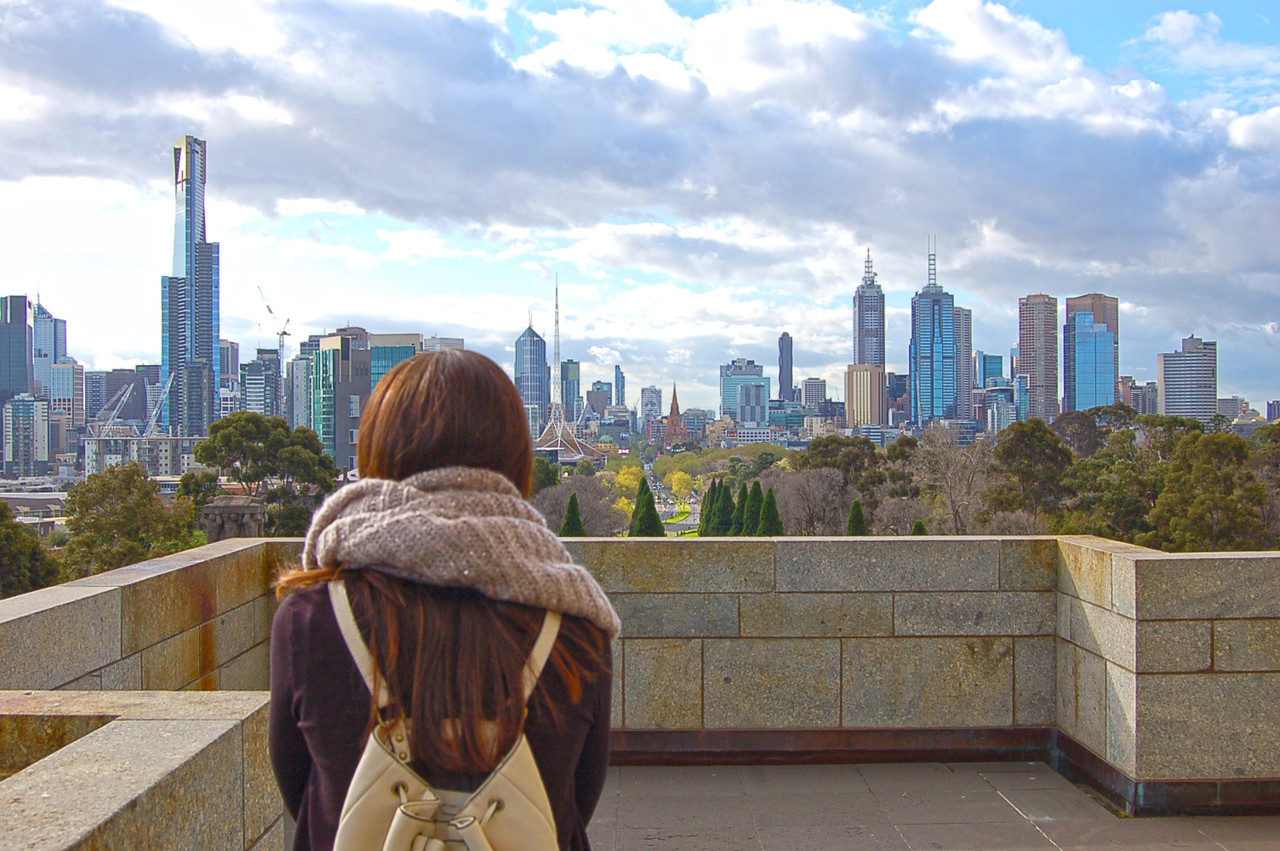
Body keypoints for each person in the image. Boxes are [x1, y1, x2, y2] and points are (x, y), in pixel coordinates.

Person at [269, 349, 619, 851]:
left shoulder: (312, 619)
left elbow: (302, 792)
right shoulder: (576, 628)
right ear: (517, 456)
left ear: (376, 452)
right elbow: (574, 804)